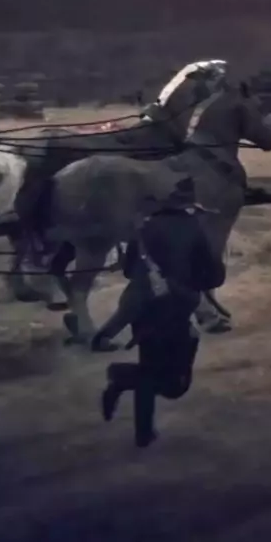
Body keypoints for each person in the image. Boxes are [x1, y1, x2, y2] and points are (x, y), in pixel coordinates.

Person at [92, 190, 225, 448]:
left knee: (150, 371)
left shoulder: (143, 228)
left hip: (145, 311)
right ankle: (140, 426)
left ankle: (123, 386)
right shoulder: (194, 228)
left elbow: (129, 272)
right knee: (173, 385)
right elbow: (214, 276)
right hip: (177, 309)